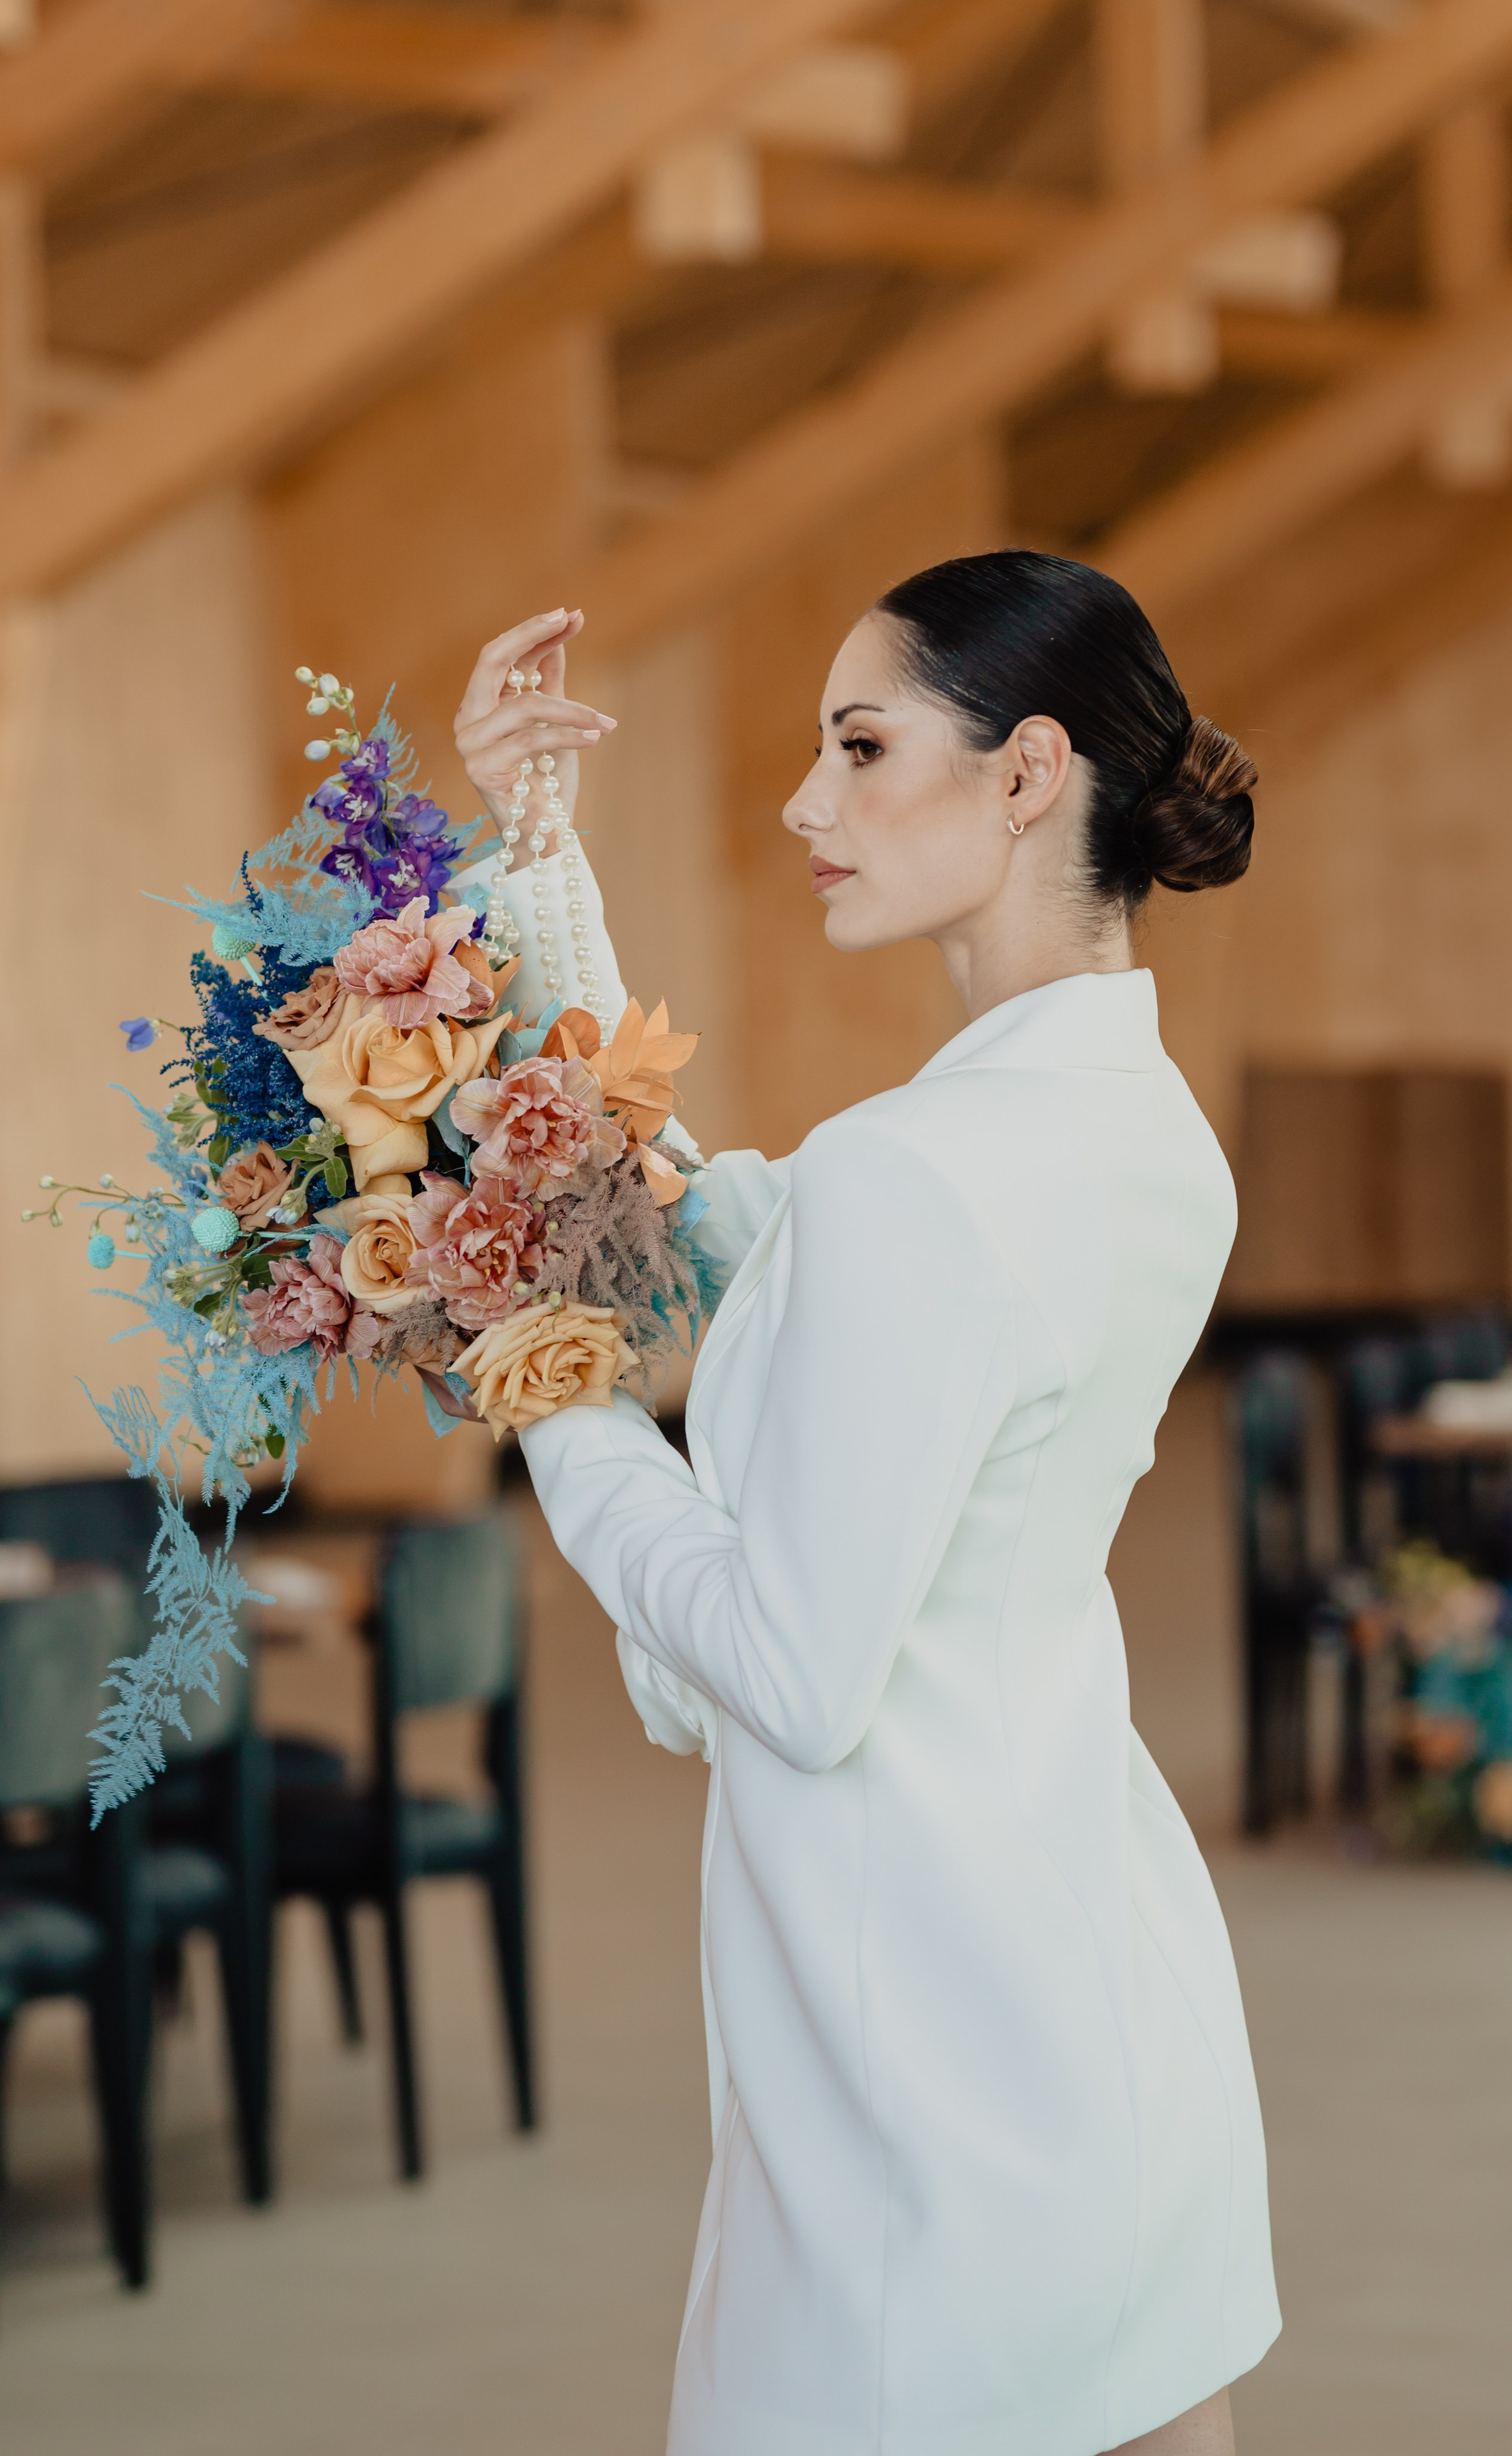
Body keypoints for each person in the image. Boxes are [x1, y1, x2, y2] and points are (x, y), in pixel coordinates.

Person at [453, 553, 1280, 2456]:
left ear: (1025, 772)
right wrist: (537, 854)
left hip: (915, 2055)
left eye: (858, 744)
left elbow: (797, 1672)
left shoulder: (919, 1176)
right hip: (1097, 1981)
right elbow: (696, 1220)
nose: (804, 805)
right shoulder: (1151, 1140)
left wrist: (550, 1390)